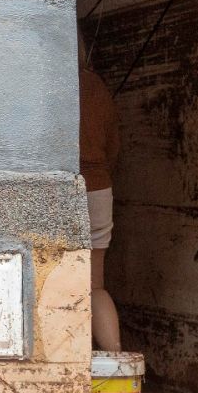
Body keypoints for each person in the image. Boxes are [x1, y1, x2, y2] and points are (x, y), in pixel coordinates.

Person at [80, 35, 122, 352]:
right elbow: (113, 147)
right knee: (95, 285)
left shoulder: (44, 81)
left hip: (58, 189)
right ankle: (116, 363)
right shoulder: (96, 86)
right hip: (97, 186)